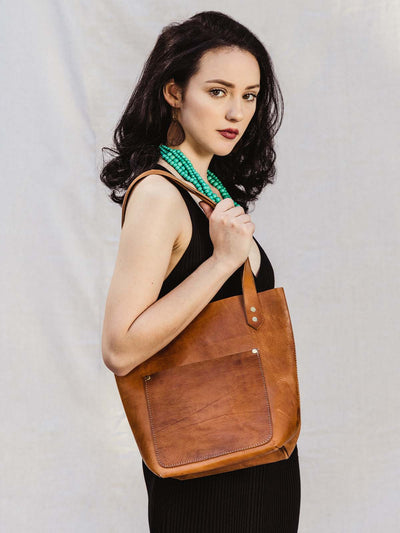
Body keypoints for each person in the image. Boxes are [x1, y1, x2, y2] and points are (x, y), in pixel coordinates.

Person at [100, 10, 301, 533]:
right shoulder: (159, 194)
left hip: (262, 453)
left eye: (250, 95)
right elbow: (120, 348)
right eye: (218, 91)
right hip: (208, 472)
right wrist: (222, 262)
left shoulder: (211, 191)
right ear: (173, 92)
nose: (237, 111)